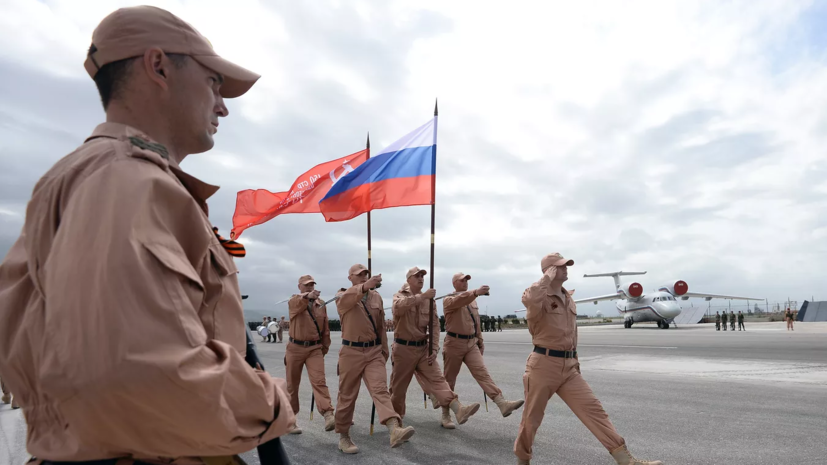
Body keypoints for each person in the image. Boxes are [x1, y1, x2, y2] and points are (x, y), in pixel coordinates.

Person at [0, 6, 296, 465]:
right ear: (158, 66)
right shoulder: (127, 182)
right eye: (214, 83)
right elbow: (139, 372)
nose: (222, 105)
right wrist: (269, 401)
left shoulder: (88, 176)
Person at [514, 253, 662, 465]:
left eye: (566, 266)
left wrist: (574, 361)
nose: (566, 269)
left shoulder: (568, 298)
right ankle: (523, 460)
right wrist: (546, 278)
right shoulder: (538, 296)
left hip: (569, 367)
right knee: (531, 418)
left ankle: (624, 459)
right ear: (549, 270)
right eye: (560, 266)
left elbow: (571, 334)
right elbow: (529, 298)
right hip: (543, 365)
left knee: (594, 411)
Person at [334, 264, 415, 454]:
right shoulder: (342, 294)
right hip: (351, 351)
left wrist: (384, 351)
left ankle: (394, 428)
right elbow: (345, 302)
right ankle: (344, 436)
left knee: (380, 390)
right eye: (359, 275)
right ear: (350, 278)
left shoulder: (376, 297)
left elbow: (380, 327)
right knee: (347, 395)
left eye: (365, 275)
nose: (363, 277)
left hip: (373, 352)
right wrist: (364, 287)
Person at [390, 267, 481, 429]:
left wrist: (434, 347)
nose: (421, 279)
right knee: (398, 390)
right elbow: (398, 309)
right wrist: (421, 297)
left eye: (422, 276)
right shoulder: (399, 296)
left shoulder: (429, 300)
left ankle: (458, 409)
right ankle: (396, 424)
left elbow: (434, 326)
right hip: (404, 349)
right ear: (408, 279)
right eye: (417, 276)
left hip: (423, 349)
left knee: (438, 380)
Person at [442, 273, 524, 425]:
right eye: (462, 280)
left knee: (482, 374)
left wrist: (480, 340)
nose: (465, 282)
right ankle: (446, 415)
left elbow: (476, 321)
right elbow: (460, 300)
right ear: (454, 283)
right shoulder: (449, 300)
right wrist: (475, 292)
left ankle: (501, 403)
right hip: (454, 343)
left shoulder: (472, 301)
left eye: (467, 280)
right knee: (449, 380)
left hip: (471, 343)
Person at [286, 275, 335, 434]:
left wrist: (324, 348)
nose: (310, 287)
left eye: (312, 285)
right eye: (306, 285)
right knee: (292, 385)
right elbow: (298, 303)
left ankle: (328, 414)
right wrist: (307, 296)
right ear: (299, 286)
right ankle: (291, 420)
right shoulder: (293, 301)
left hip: (314, 349)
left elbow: (325, 328)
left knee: (319, 381)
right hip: (295, 348)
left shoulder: (321, 305)